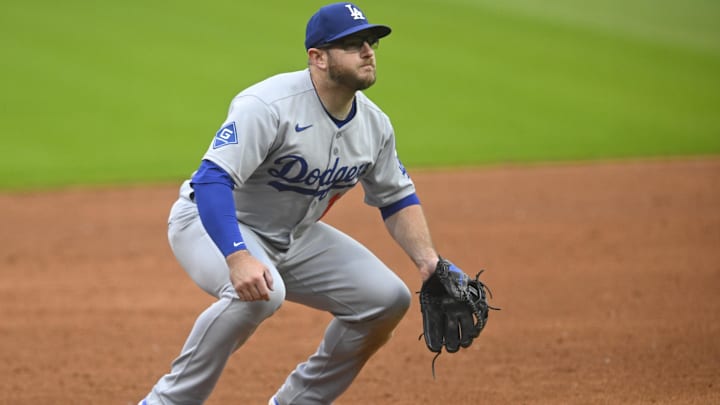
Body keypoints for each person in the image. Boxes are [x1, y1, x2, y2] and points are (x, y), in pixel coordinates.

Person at [139, 3, 451, 404]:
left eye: (370, 42)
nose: (368, 51)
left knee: (386, 300)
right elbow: (212, 179)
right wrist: (237, 257)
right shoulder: (269, 105)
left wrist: (428, 262)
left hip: (293, 236)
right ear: (317, 58)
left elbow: (396, 196)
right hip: (213, 223)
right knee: (261, 293)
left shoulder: (375, 125)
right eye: (352, 44)